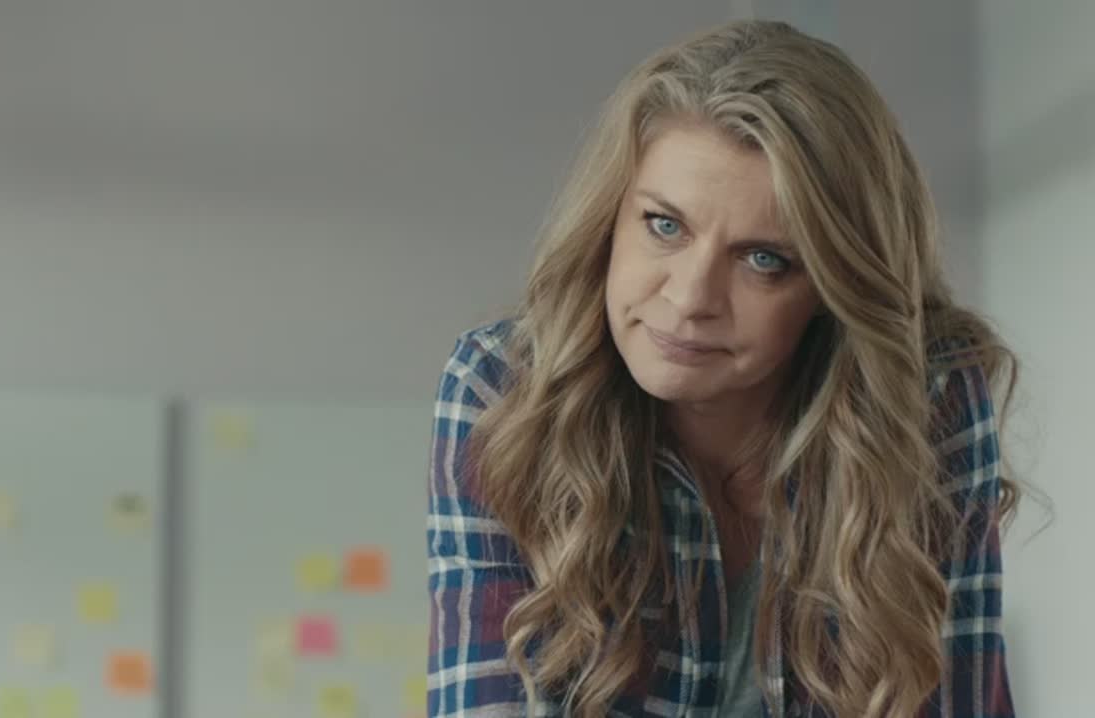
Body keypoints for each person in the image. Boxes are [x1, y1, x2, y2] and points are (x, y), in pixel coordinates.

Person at [426, 18, 1029, 718]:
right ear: (608, 219)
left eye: (763, 259)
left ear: (832, 288)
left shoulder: (926, 402)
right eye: (664, 225)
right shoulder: (502, 391)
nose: (690, 299)